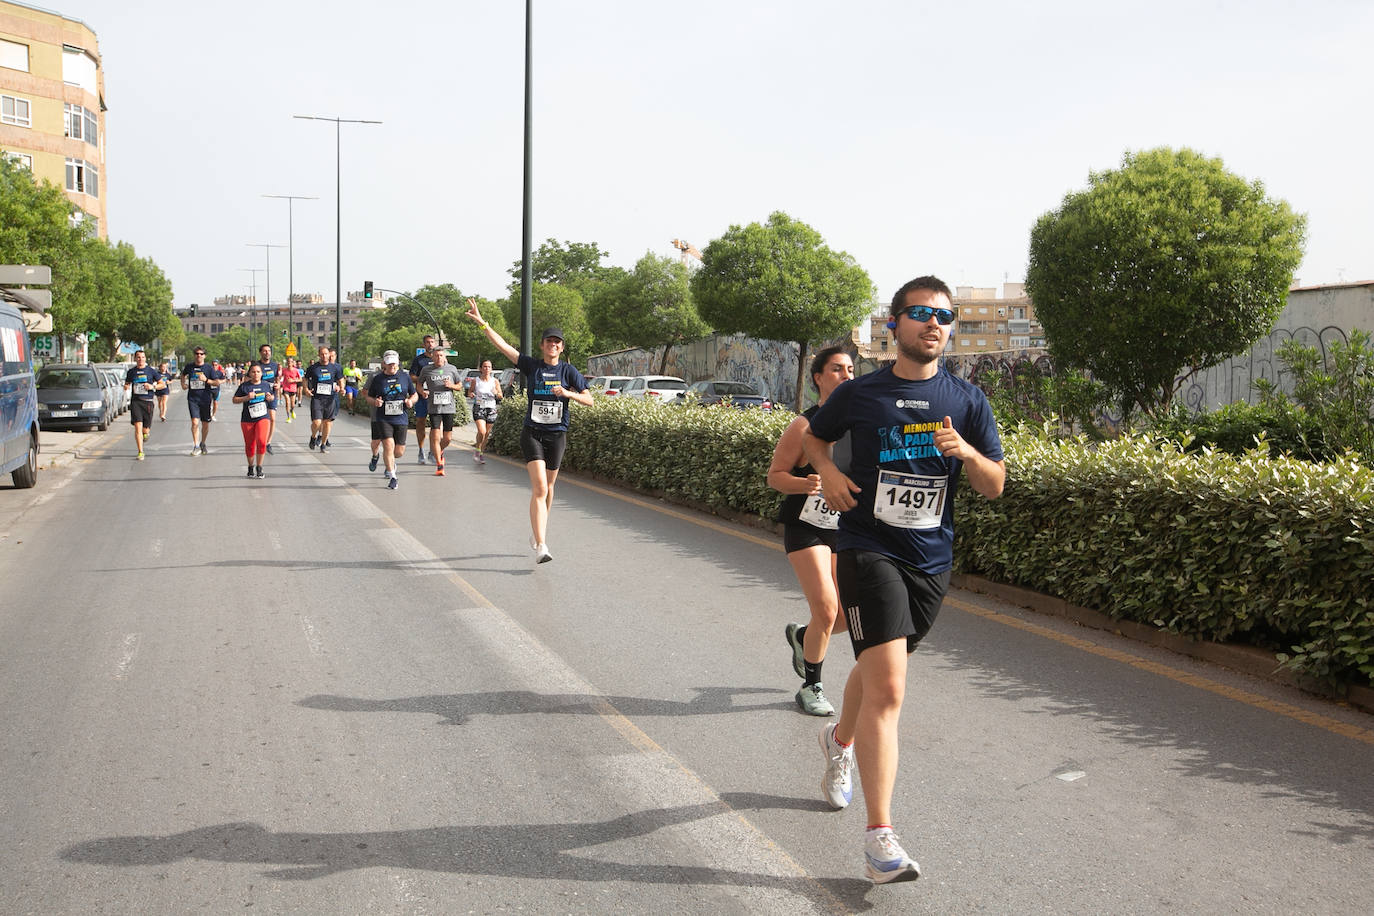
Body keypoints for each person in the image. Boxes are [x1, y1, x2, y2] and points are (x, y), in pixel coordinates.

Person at [803, 275, 1005, 885]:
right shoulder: (862, 393)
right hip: (868, 549)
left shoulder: (967, 401)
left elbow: (994, 483)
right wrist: (829, 478)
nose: (934, 324)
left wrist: (967, 454)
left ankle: (839, 742)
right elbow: (815, 440)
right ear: (895, 325)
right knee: (890, 688)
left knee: (873, 669)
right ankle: (879, 839)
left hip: (930, 561)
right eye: (920, 314)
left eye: (946, 317)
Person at [465, 298, 592, 564]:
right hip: (532, 433)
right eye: (549, 342)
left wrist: (567, 392)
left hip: (557, 434)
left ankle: (538, 531)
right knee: (540, 488)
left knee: (550, 488)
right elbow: (504, 347)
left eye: (557, 342)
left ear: (562, 347)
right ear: (543, 345)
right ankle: (542, 545)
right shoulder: (533, 366)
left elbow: (589, 399)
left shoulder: (569, 371)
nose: (553, 345)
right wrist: (484, 324)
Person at [767, 346, 855, 716]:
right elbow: (775, 477)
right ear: (818, 378)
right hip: (806, 529)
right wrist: (806, 485)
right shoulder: (804, 426)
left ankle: (804, 637)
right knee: (826, 607)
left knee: (846, 617)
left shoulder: (861, 425)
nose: (846, 376)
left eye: (851, 369)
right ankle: (811, 686)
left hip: (844, 529)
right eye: (837, 369)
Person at [366, 349, 418, 489]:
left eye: (394, 364)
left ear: (398, 362)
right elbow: (369, 397)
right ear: (384, 363)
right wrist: (375, 402)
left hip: (401, 418)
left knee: (399, 452)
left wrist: (411, 401)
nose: (392, 366)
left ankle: (391, 463)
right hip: (384, 418)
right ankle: (392, 476)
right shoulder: (378, 379)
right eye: (389, 364)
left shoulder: (405, 377)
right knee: (388, 445)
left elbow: (414, 394)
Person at [419, 346, 463, 475]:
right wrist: (422, 392)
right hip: (434, 407)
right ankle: (439, 465)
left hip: (449, 407)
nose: (439, 358)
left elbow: (459, 385)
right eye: (436, 355)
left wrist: (452, 386)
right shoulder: (426, 370)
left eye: (441, 355)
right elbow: (419, 384)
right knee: (435, 435)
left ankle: (437, 450)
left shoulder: (452, 369)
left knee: (447, 438)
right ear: (432, 357)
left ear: (445, 357)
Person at [231, 361, 275, 478]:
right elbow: (234, 400)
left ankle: (259, 467)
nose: (256, 374)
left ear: (261, 373)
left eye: (258, 372)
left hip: (263, 417)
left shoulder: (266, 385)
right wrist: (246, 397)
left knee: (261, 441)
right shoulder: (244, 386)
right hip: (247, 419)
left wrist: (271, 398)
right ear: (249, 374)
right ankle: (250, 467)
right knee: (250, 445)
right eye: (253, 372)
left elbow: (272, 396)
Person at [180, 347, 224, 455]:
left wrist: (206, 380)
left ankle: (202, 443)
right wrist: (183, 384)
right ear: (194, 355)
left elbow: (216, 382)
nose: (198, 355)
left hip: (205, 399)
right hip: (192, 398)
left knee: (205, 424)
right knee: (195, 422)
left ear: (204, 355)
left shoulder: (209, 368)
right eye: (196, 353)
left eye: (201, 354)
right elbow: (183, 374)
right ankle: (195, 445)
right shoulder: (189, 366)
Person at [123, 349, 164, 460]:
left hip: (148, 402)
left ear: (145, 359)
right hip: (136, 401)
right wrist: (126, 387)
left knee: (145, 430)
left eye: (143, 357)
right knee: (137, 427)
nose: (140, 359)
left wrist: (152, 387)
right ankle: (140, 452)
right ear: (135, 359)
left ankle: (145, 434)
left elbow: (162, 384)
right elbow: (127, 383)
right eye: (138, 357)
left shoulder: (151, 371)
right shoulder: (131, 372)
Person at [304, 345, 342, 452]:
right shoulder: (313, 368)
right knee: (317, 422)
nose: (324, 356)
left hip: (330, 399)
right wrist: (306, 389)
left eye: (326, 354)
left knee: (327, 422)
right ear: (319, 355)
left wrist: (341, 388)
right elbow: (305, 379)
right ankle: (313, 436)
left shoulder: (334, 368)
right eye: (322, 354)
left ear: (329, 354)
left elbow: (340, 379)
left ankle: (323, 444)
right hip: (317, 398)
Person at [469, 357, 503, 464]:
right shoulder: (476, 381)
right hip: (479, 407)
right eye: (485, 367)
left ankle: (481, 453)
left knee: (487, 433)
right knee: (482, 431)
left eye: (489, 367)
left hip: (491, 408)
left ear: (491, 369)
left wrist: (496, 393)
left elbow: (501, 396)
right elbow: (469, 392)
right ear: (481, 368)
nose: (487, 369)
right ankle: (477, 449)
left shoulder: (495, 381)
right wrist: (471, 394)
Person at [408, 334, 436, 464]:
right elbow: (411, 376)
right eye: (427, 342)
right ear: (424, 345)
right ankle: (421, 449)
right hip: (421, 395)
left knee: (436, 425)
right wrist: (423, 378)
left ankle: (433, 450)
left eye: (432, 342)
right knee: (421, 422)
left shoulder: (440, 359)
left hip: (436, 397)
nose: (430, 344)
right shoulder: (419, 360)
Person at [254, 344, 282, 453]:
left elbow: (277, 379)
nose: (267, 353)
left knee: (272, 419)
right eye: (265, 351)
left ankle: (268, 443)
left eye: (269, 351)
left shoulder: (275, 365)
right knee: (260, 419)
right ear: (260, 353)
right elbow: (248, 380)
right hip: (259, 396)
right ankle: (260, 439)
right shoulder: (256, 365)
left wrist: (278, 385)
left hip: (272, 395)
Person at [281, 357, 302, 422]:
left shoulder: (296, 370)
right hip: (286, 388)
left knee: (292, 404)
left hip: (293, 389)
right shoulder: (284, 370)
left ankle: (292, 410)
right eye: (288, 361)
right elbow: (280, 377)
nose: (289, 363)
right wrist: (280, 383)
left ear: (293, 363)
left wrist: (293, 380)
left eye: (290, 361)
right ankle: (288, 417)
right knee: (287, 402)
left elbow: (300, 379)